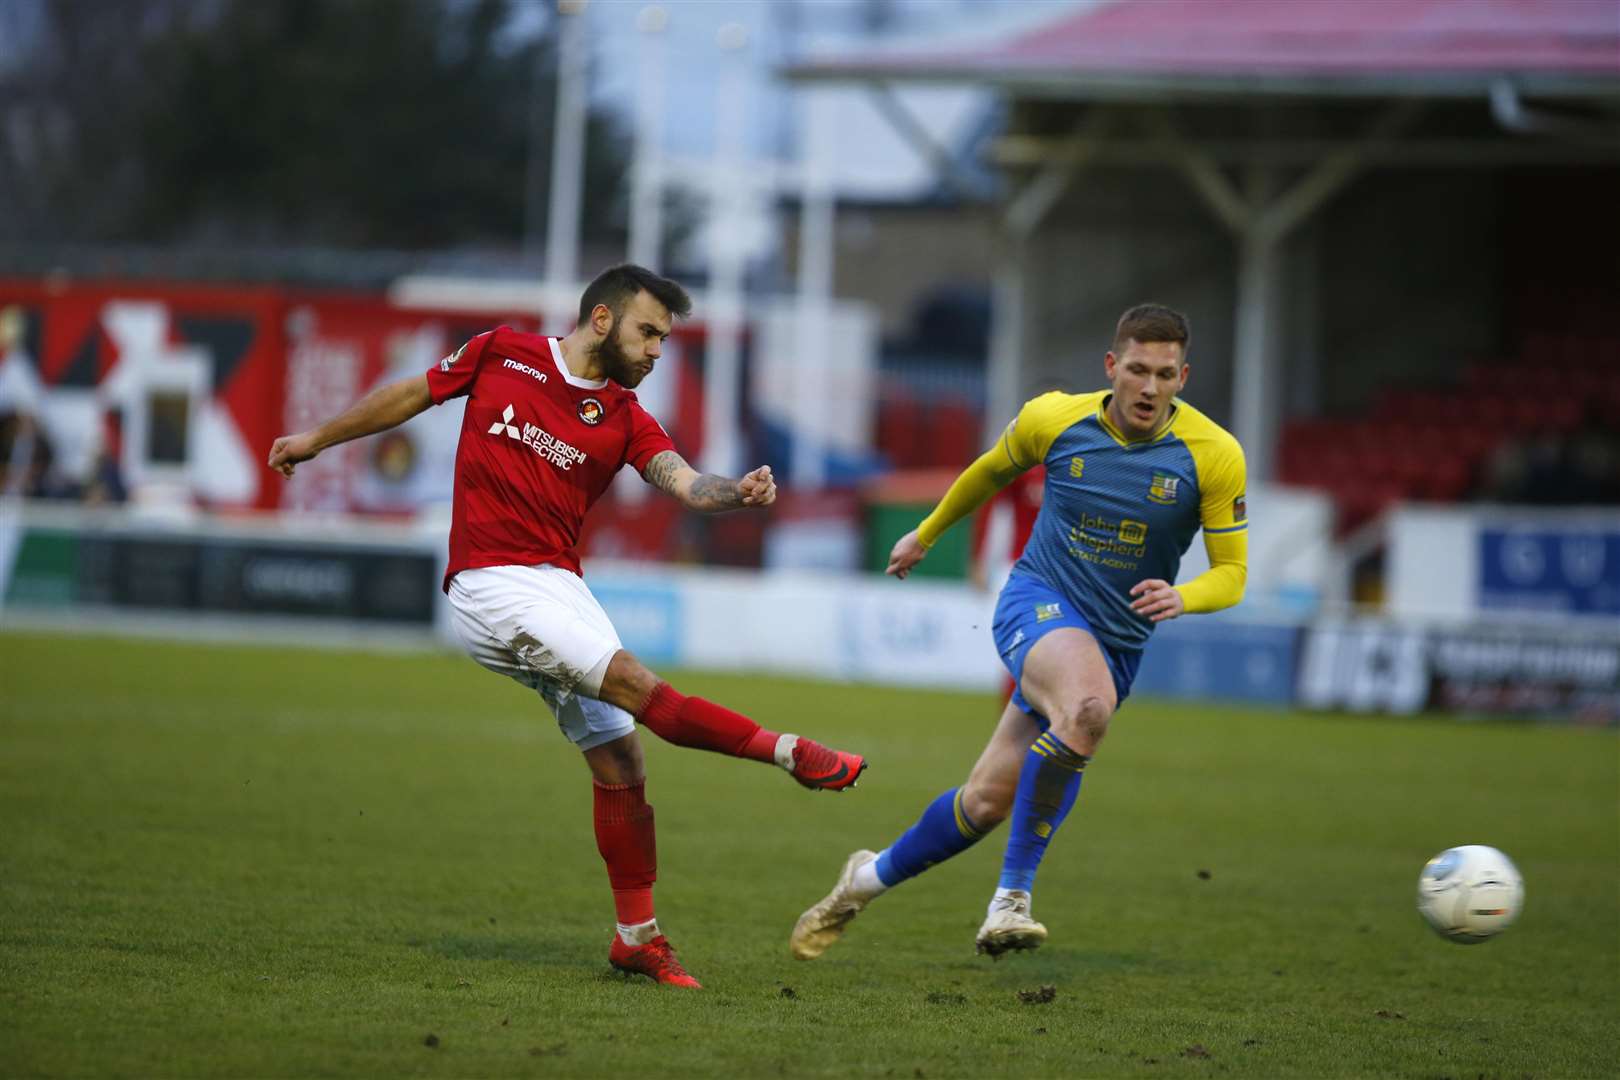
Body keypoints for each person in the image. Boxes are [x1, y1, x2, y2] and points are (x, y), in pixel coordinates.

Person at [268, 264, 866, 990]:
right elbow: (410, 394)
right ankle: (791, 753)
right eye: (648, 332)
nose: (655, 351)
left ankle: (635, 937)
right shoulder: (501, 353)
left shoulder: (624, 418)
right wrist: (317, 438)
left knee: (621, 763)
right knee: (638, 687)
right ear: (604, 320)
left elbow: (682, 479)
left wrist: (734, 494)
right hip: (491, 582)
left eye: (665, 340)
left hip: (561, 587)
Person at [791, 303, 1245, 960]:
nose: (1150, 388)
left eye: (1166, 375)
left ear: (1183, 376)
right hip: (1038, 600)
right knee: (1088, 708)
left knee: (986, 801)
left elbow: (1232, 574)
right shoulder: (1054, 418)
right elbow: (987, 472)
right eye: (1139, 370)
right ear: (1112, 366)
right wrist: (926, 533)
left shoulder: (1213, 454)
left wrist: (1186, 594)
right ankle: (1011, 900)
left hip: (1116, 642)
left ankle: (860, 883)